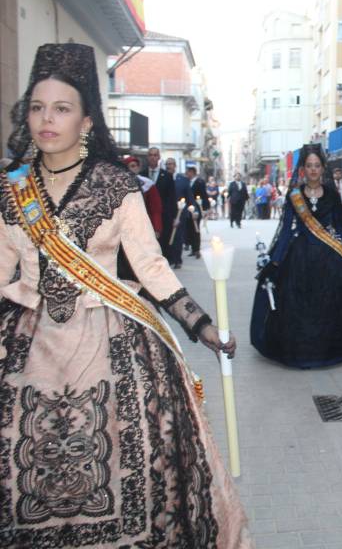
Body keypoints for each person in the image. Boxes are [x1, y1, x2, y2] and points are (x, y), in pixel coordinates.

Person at [0, 42, 250, 546]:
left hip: (109, 340)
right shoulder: (12, 188)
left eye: (62, 108)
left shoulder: (117, 185)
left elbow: (152, 267)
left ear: (87, 121)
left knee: (125, 455)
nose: (47, 119)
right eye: (37, 107)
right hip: (29, 344)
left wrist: (201, 326)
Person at [250, 144, 342, 368]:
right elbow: (286, 230)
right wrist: (275, 262)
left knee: (329, 304)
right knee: (298, 305)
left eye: (317, 166)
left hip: (329, 257)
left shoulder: (332, 194)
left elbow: (341, 230)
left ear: (323, 168)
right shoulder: (294, 195)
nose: (313, 170)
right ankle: (302, 350)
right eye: (309, 166)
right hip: (299, 257)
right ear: (303, 169)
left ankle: (328, 349)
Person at [145, 146, 176, 261]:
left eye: (155, 155)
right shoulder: (142, 174)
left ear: (159, 157)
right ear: (147, 157)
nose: (153, 157)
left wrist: (173, 217)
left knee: (162, 242)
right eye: (151, 155)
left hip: (163, 216)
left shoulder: (167, 176)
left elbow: (172, 198)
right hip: (146, 215)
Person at [124, 155, 162, 235]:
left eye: (135, 166)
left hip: (143, 224)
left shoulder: (148, 184)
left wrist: (156, 227)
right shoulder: (118, 185)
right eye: (130, 166)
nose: (132, 168)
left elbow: (155, 208)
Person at [166, 157, 188, 269]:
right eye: (167, 164)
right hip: (167, 213)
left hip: (180, 212)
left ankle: (177, 260)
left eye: (171, 164)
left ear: (175, 165)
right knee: (168, 236)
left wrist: (193, 210)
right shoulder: (163, 177)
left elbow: (189, 196)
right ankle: (169, 258)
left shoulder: (183, 180)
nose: (169, 166)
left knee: (178, 237)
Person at [185, 164, 208, 258]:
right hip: (188, 208)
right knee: (189, 229)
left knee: (196, 229)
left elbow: (204, 195)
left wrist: (205, 208)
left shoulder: (199, 182)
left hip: (197, 208)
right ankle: (193, 249)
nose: (187, 174)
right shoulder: (187, 182)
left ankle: (197, 249)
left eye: (188, 172)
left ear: (192, 173)